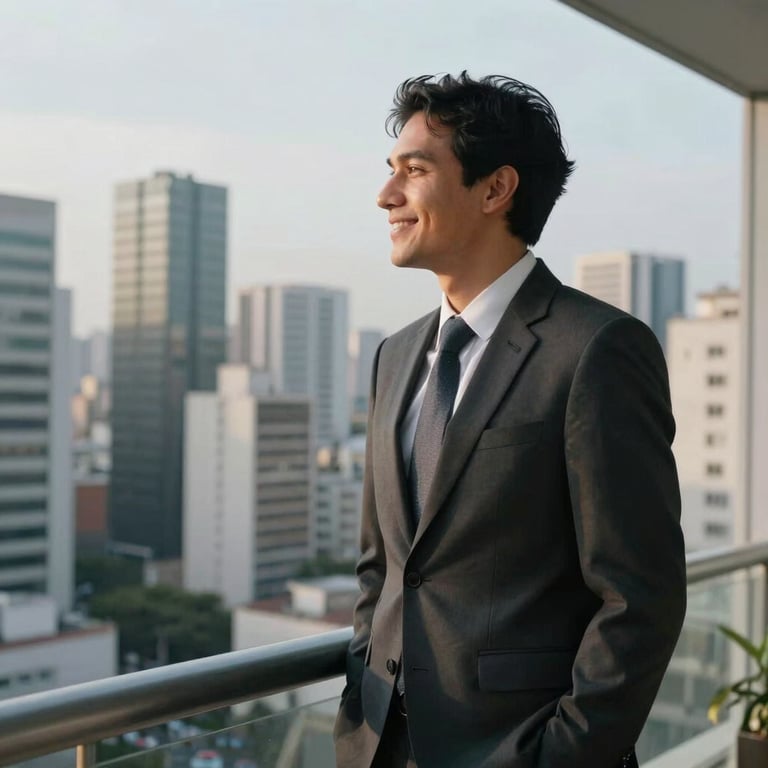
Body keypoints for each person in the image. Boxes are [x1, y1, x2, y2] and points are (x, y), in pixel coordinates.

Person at [334, 72, 686, 768]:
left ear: (496, 189)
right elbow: (384, 571)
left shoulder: (595, 350)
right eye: (390, 171)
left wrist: (558, 755)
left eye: (416, 170)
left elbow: (639, 600)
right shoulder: (394, 357)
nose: (386, 196)